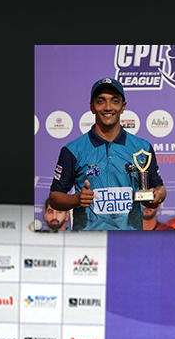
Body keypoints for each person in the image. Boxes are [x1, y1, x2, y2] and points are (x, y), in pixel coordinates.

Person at [47, 77, 166, 231]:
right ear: (92, 107)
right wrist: (77, 198)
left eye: (115, 101)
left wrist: (157, 196)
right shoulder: (72, 150)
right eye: (101, 101)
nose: (108, 107)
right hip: (88, 241)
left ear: (123, 107)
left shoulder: (142, 147)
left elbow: (160, 188)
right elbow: (55, 198)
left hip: (130, 239)